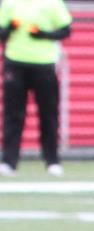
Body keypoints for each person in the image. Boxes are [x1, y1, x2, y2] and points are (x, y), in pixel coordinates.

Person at [0, 0, 71, 177]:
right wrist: (10, 28)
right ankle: (9, 161)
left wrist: (44, 34)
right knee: (13, 115)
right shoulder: (10, 3)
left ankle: (52, 161)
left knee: (48, 115)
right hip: (15, 63)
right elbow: (1, 32)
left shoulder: (52, 3)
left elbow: (66, 30)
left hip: (44, 64)